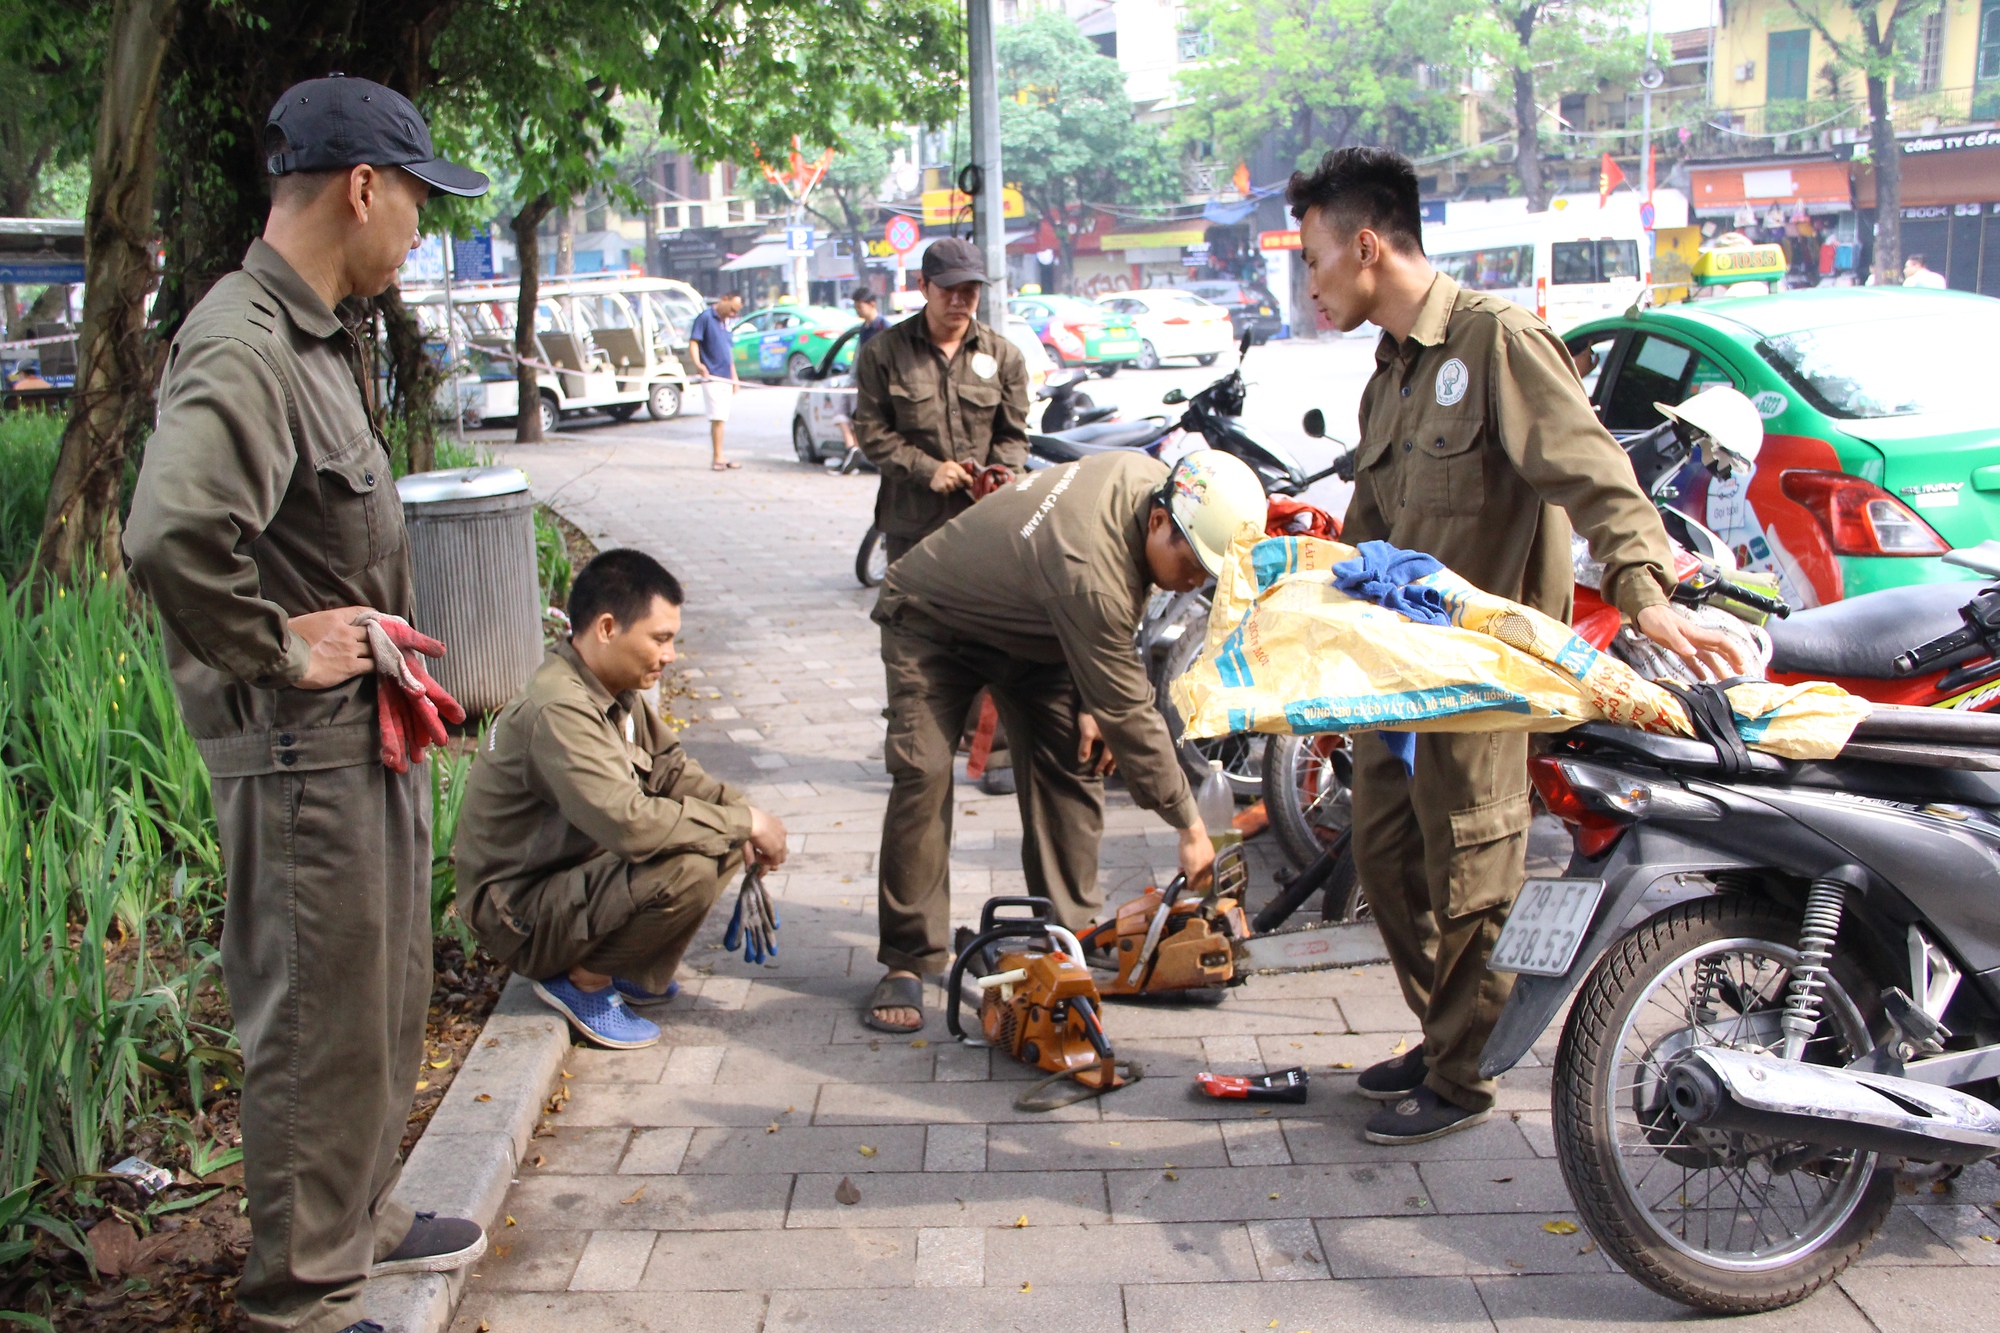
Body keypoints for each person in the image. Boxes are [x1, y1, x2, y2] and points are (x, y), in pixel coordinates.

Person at [123, 74, 492, 1333]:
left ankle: (361, 1217)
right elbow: (175, 533)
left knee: (382, 1004)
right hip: (298, 752)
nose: (419, 232)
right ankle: (304, 1298)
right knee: (318, 1031)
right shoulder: (244, 339)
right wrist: (279, 647)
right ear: (362, 187)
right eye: (419, 204)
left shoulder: (316, 335)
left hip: (355, 742)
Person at [1288, 146, 1750, 1145]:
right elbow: (1366, 530)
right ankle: (1447, 1031)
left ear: (1366, 245)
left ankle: (1463, 1074)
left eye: (1313, 256)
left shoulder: (1497, 344)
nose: (1307, 279)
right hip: (1394, 678)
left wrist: (1644, 594)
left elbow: (1594, 476)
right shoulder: (1390, 374)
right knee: (1383, 854)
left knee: (1464, 869)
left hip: (1479, 676)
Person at [861, 448, 1268, 1032]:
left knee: (1074, 762)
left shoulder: (1157, 482)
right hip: (934, 621)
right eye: (1196, 566)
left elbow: (1112, 623)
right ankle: (908, 956)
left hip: (1041, 623)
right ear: (1159, 522)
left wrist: (1090, 698)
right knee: (922, 773)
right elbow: (1130, 704)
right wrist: (1191, 829)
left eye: (1211, 573)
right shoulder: (1092, 567)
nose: (1197, 582)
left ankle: (1071, 933)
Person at [453, 549, 788, 1048]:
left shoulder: (610, 685)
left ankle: (623, 964)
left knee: (716, 835)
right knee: (691, 865)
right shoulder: (560, 708)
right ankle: (582, 982)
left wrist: (744, 813)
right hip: (515, 913)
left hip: (561, 879)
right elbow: (630, 825)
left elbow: (672, 770)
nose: (670, 654)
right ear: (607, 628)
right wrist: (743, 822)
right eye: (660, 639)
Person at [851, 236, 1030, 566]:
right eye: (948, 290)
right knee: (912, 617)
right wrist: (928, 469)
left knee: (983, 617)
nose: (959, 301)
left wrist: (998, 476)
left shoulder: (1004, 356)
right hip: (913, 528)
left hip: (983, 525)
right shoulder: (884, 353)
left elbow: (1014, 436)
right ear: (923, 285)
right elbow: (870, 431)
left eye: (970, 291)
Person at [687, 291, 744, 470]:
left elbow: (728, 351)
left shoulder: (726, 323)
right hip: (712, 374)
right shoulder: (705, 318)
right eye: (732, 309)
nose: (733, 314)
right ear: (724, 299)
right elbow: (694, 341)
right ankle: (717, 456)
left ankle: (720, 453)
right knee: (717, 417)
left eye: (736, 312)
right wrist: (698, 364)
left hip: (725, 375)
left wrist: (734, 377)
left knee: (723, 417)